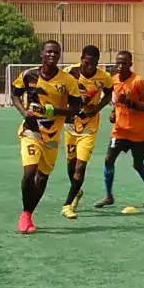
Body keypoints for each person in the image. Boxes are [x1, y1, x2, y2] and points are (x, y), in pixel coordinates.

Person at [11, 40, 82, 232]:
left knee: (42, 178)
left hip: (52, 136)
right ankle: (25, 215)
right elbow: (15, 94)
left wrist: (55, 110)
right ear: (42, 53)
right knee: (29, 173)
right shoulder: (28, 75)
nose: (52, 55)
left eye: (56, 53)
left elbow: (76, 107)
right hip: (31, 131)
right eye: (49, 52)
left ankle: (29, 214)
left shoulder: (67, 81)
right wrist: (25, 113)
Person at [96, 50, 144, 209]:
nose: (119, 66)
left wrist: (131, 103)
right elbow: (118, 103)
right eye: (117, 63)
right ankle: (109, 196)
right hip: (120, 130)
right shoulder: (114, 81)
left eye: (123, 63)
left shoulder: (138, 82)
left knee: (138, 164)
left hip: (139, 132)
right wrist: (114, 113)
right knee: (108, 160)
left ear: (130, 64)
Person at [60, 45, 115, 219]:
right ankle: (77, 192)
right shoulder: (69, 73)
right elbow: (59, 94)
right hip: (70, 125)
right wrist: (74, 100)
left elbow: (108, 94)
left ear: (98, 62)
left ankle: (67, 204)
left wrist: (97, 108)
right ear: (81, 58)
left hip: (89, 127)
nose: (89, 66)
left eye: (93, 63)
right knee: (70, 166)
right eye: (86, 62)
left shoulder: (104, 77)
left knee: (81, 166)